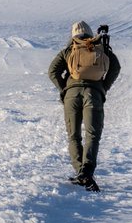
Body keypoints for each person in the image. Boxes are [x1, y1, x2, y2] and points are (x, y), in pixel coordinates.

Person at [48, 20, 121, 191]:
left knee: (74, 135)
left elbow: (53, 71)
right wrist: (103, 87)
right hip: (93, 94)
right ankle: (87, 172)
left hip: (72, 96)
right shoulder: (100, 47)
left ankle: (81, 171)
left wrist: (64, 89)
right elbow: (115, 67)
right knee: (92, 135)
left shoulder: (69, 49)